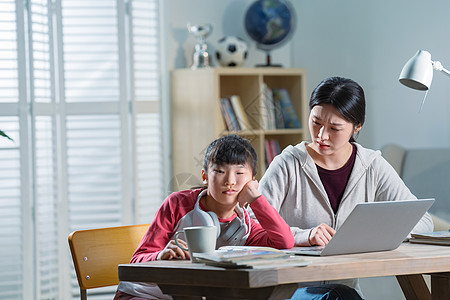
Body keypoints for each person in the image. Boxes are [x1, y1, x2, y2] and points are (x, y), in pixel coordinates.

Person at [259, 76, 434, 299]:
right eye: (316, 122)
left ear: (357, 127)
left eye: (334, 128)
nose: (322, 135)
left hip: (345, 293)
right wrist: (304, 235)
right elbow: (252, 226)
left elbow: (423, 220)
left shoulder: (372, 165)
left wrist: (376, 234)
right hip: (288, 291)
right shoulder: (287, 164)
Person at [114, 134, 295, 299]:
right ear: (205, 176)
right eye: (220, 172)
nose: (230, 181)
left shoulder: (245, 225)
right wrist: (161, 255)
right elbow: (137, 260)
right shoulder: (177, 204)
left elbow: (285, 241)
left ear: (252, 181)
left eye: (239, 173)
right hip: (144, 294)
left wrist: (256, 198)